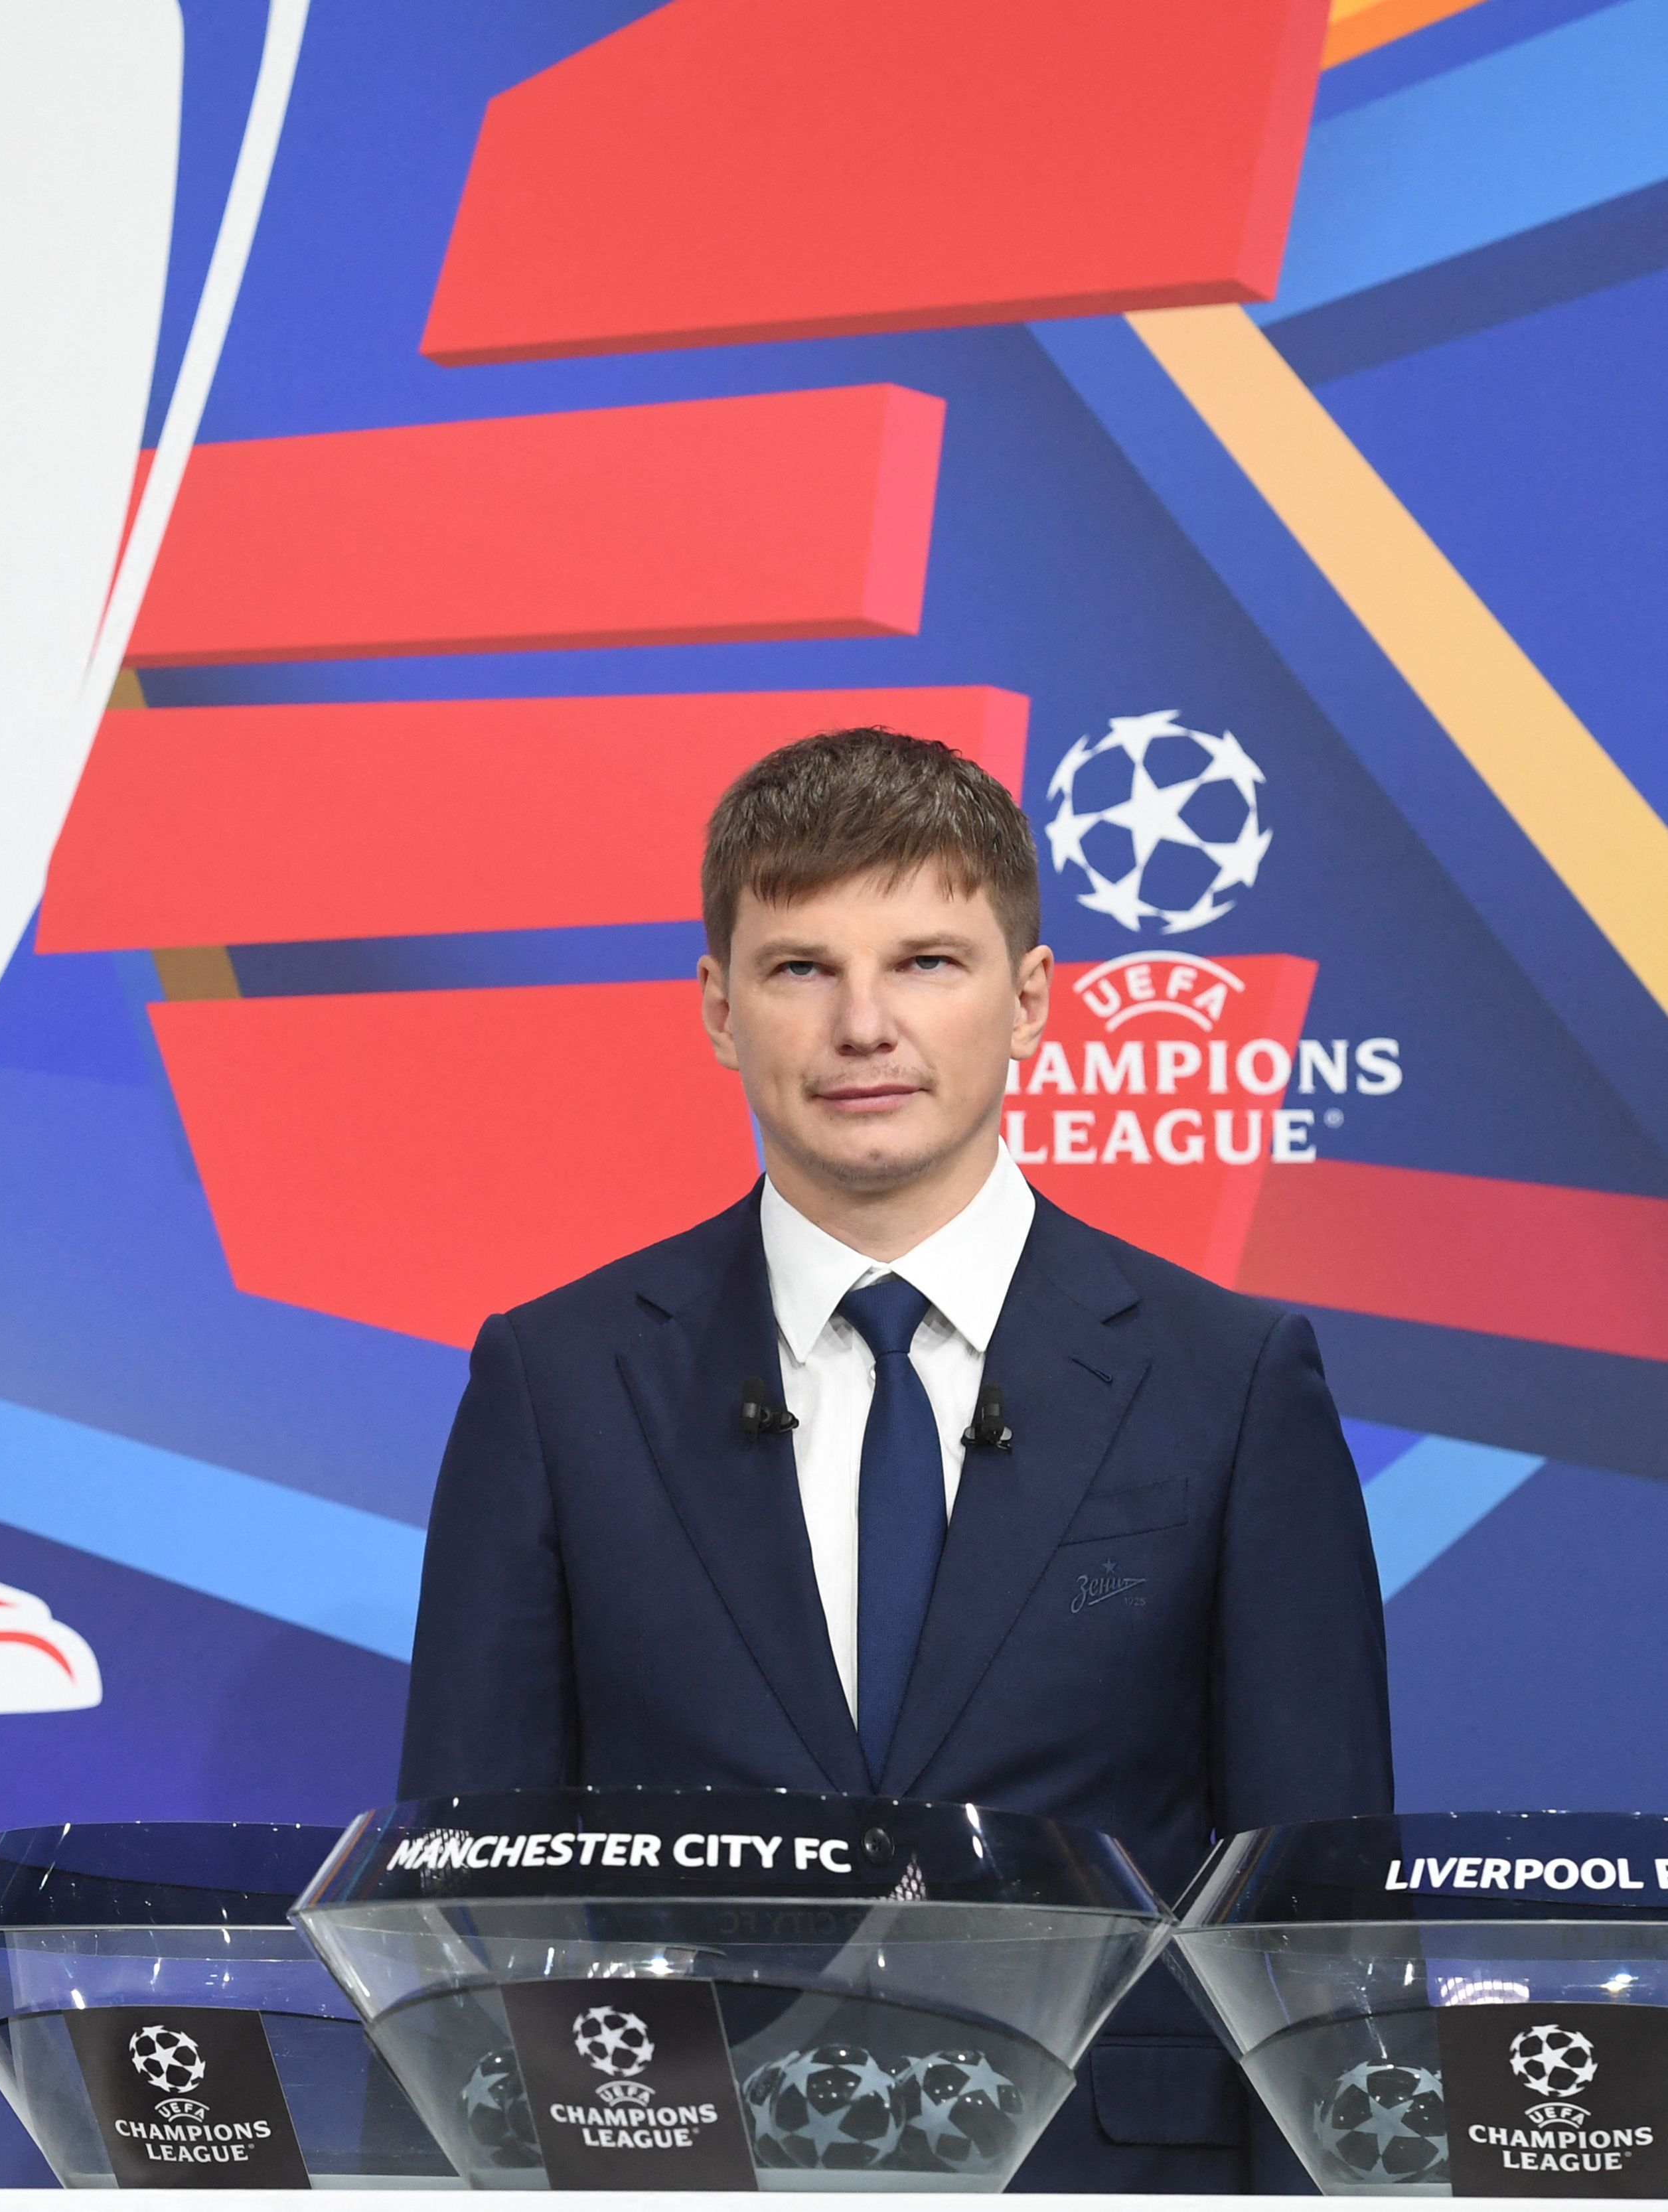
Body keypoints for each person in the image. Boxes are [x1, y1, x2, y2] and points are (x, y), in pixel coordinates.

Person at [398, 728, 1393, 2193]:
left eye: (927, 961)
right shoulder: (556, 1381)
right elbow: (465, 1891)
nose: (863, 1024)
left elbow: (1316, 1913)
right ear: (718, 1007)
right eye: (801, 967)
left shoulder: (1232, 1380)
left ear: (1030, 998)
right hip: (685, 2166)